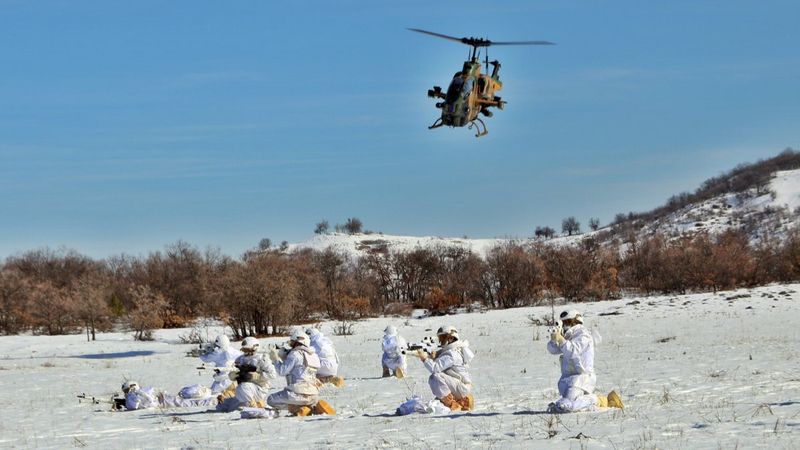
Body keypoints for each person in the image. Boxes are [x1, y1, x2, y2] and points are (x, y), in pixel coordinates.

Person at [546, 309, 623, 413]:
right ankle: (603, 401)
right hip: (567, 378)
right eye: (563, 322)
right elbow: (553, 350)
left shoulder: (583, 334)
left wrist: (561, 340)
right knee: (567, 405)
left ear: (574, 321)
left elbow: (572, 351)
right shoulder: (568, 335)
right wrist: (554, 338)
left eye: (566, 322)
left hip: (581, 378)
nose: (564, 325)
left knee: (566, 405)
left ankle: (598, 400)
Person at [267, 329, 336, 417]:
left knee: (271, 399)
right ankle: (313, 408)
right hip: (313, 395)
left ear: (298, 341)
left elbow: (282, 371)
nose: (291, 345)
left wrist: (275, 359)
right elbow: (300, 366)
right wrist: (284, 355)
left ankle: (299, 409)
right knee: (307, 401)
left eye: (292, 343)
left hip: (297, 393)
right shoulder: (314, 355)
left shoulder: (295, 354)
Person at [411, 325, 475, 411]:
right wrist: (433, 356)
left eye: (443, 337)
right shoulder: (452, 351)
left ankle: (452, 404)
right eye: (440, 338)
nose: (441, 341)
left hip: (461, 388)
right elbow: (442, 363)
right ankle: (461, 401)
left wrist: (424, 358)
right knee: (437, 399)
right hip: (460, 386)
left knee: (435, 377)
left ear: (451, 338)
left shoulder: (452, 354)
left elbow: (435, 368)